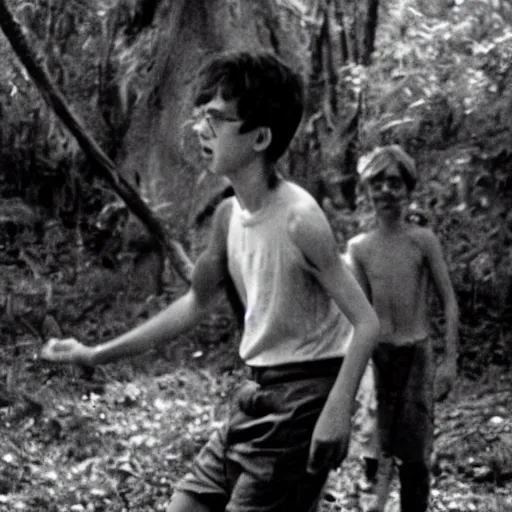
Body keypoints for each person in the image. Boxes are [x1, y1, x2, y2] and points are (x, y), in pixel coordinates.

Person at [41, 50, 380, 512]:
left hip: (303, 403)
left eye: (217, 119)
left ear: (260, 137)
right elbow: (194, 304)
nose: (201, 129)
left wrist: (337, 410)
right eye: (202, 115)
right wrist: (95, 354)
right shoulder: (227, 217)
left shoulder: (301, 219)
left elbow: (366, 322)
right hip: (255, 397)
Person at [344, 145, 459, 512]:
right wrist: (351, 376)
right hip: (378, 358)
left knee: (415, 456)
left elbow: (449, 301)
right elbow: (359, 315)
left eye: (394, 182)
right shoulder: (359, 247)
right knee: (374, 451)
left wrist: (449, 361)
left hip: (416, 355)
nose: (386, 191)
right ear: (366, 190)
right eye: (377, 183)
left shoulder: (422, 241)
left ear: (408, 189)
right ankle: (372, 504)